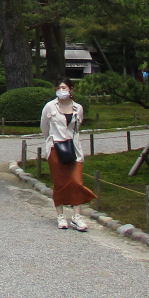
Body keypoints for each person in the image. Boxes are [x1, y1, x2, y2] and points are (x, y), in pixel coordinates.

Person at [40, 82, 97, 230]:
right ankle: (60, 216)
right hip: (56, 147)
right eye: (58, 88)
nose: (61, 90)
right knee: (59, 183)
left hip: (73, 148)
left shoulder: (78, 108)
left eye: (64, 87)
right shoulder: (50, 106)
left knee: (76, 182)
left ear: (71, 90)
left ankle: (77, 216)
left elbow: (77, 127)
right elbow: (44, 127)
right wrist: (51, 141)